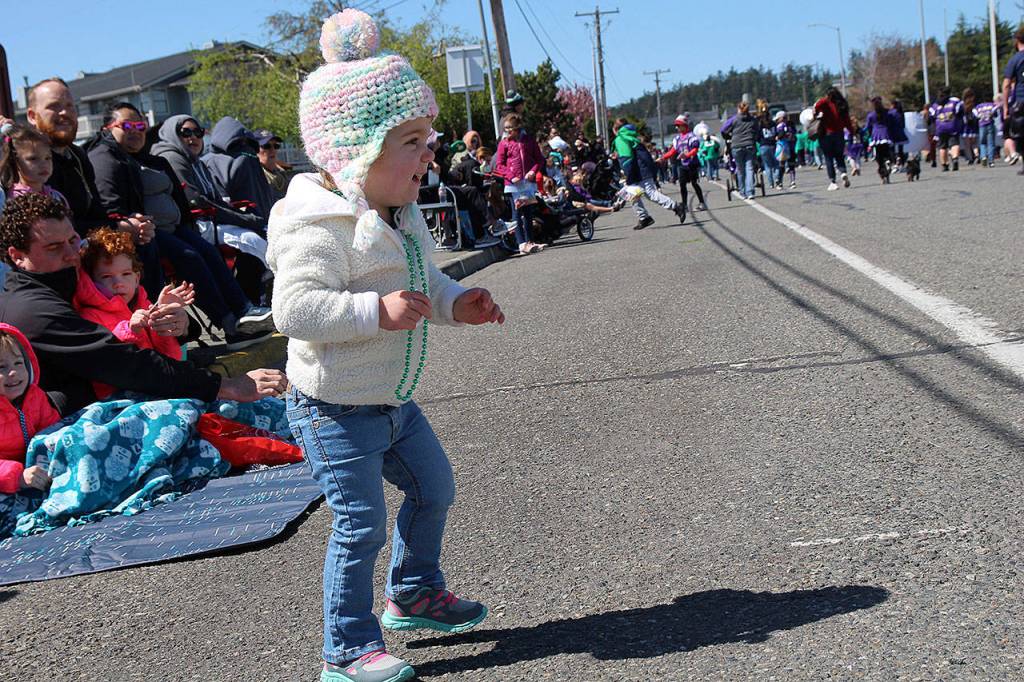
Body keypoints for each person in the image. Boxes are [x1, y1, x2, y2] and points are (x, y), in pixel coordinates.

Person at [268, 11, 501, 681]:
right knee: (360, 525)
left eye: (428, 139)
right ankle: (344, 650)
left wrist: (462, 304)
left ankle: (415, 592)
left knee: (435, 489)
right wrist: (376, 310)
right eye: (410, 141)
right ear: (354, 153)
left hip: (393, 401)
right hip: (333, 407)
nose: (429, 154)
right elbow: (295, 309)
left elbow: (426, 281)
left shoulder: (402, 213)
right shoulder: (317, 225)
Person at [0, 193, 286, 416]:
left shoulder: (79, 272)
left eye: (73, 240)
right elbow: (121, 361)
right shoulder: (31, 309)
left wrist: (183, 326)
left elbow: (141, 306)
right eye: (54, 247)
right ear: (17, 256)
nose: (71, 254)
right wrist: (225, 386)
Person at [86, 103, 274, 348]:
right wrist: (134, 224)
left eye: (140, 125)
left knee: (207, 250)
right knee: (191, 256)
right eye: (127, 125)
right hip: (146, 233)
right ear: (108, 128)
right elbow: (113, 207)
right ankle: (229, 324)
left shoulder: (146, 159)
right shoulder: (108, 158)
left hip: (176, 226)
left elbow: (179, 197)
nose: (136, 131)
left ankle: (243, 311)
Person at [151, 115, 271, 304]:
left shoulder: (196, 161)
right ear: (174, 134)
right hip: (197, 225)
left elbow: (215, 199)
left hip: (213, 220)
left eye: (198, 133)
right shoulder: (172, 157)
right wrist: (243, 219)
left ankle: (254, 299)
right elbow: (196, 201)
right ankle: (250, 303)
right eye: (186, 133)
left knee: (263, 235)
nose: (194, 138)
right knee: (253, 241)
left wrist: (243, 216)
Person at [73, 227, 194, 398]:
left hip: (155, 387)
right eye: (107, 276)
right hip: (118, 399)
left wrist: (164, 318)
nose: (118, 283)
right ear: (91, 281)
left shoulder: (143, 304)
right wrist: (131, 330)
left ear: (137, 278)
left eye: (126, 274)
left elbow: (171, 358)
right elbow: (109, 360)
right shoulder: (89, 315)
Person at [0, 323, 61, 495]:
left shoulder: (35, 396)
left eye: (18, 363)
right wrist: (17, 476)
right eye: (1, 367)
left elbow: (54, 430)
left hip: (37, 470)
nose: (13, 372)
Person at [613, 118, 685, 229]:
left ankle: (676, 207)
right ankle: (644, 217)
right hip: (641, 169)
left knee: (649, 194)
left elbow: (626, 159)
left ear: (616, 129)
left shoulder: (620, 139)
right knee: (633, 195)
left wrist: (628, 175)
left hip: (637, 171)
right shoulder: (632, 137)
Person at [202, 116, 276, 220]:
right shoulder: (211, 163)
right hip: (236, 226)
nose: (244, 146)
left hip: (261, 221)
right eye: (239, 142)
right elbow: (220, 203)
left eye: (246, 142)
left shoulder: (249, 157)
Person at [494, 113, 546, 254]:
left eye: (510, 128)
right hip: (513, 184)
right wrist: (511, 176)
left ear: (517, 127)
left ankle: (530, 241)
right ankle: (521, 243)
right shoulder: (504, 143)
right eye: (505, 129)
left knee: (528, 212)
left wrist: (533, 171)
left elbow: (539, 160)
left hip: (527, 182)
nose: (508, 131)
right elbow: (499, 165)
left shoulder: (529, 141)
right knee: (516, 212)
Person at [0, 124, 69, 207]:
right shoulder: (15, 200)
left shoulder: (57, 196)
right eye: (33, 159)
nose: (44, 165)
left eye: (48, 158)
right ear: (15, 161)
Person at [658, 115, 705, 216]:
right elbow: (672, 151)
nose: (677, 128)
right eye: (676, 126)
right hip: (683, 165)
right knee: (682, 184)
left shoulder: (692, 136)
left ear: (684, 125)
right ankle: (684, 205)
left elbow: (695, 149)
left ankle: (702, 202)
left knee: (694, 183)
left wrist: (687, 155)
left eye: (678, 126)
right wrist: (663, 158)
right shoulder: (677, 139)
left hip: (692, 164)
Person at [813, 87, 855, 191]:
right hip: (839, 134)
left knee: (828, 158)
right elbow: (847, 122)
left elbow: (817, 106)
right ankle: (843, 172)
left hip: (826, 134)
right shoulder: (842, 105)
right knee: (839, 156)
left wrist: (818, 110)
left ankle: (833, 181)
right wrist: (852, 132)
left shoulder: (826, 103)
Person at [721, 101, 760, 199]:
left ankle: (742, 191)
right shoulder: (753, 120)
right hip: (749, 145)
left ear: (739, 109)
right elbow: (757, 130)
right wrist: (753, 137)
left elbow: (723, 130)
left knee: (740, 169)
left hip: (737, 145)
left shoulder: (733, 119)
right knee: (750, 168)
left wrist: (728, 136)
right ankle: (750, 191)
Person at [1002, 27, 1024, 174]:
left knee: (1020, 134)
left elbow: (1006, 84)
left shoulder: (1015, 59)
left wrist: (1005, 106)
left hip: (1021, 100)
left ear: (1017, 41)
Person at [927, 86, 963, 172]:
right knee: (954, 143)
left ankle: (944, 164)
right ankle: (955, 160)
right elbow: (960, 111)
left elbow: (931, 117)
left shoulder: (935, 105)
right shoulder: (955, 101)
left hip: (940, 127)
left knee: (942, 146)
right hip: (952, 125)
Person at [254, 129, 291, 204]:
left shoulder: (281, 172)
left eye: (276, 146)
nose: (273, 150)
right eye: (266, 146)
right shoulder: (254, 175)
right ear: (255, 149)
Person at [865, 97, 896, 184]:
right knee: (887, 152)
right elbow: (891, 123)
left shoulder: (871, 115)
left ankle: (883, 175)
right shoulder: (887, 113)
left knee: (879, 158)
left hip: (876, 135)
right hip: (886, 134)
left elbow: (868, 127)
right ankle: (888, 161)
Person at [757, 101, 781, 189]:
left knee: (767, 166)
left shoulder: (760, 124)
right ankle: (777, 178)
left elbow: (757, 136)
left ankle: (771, 183)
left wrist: (761, 141)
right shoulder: (773, 123)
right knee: (776, 164)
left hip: (763, 146)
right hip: (773, 145)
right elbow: (776, 134)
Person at [774, 111, 797, 189]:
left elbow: (780, 134)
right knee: (791, 165)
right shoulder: (791, 125)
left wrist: (777, 137)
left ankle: (779, 182)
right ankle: (792, 181)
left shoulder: (781, 125)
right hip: (791, 146)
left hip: (784, 147)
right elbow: (794, 134)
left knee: (782, 165)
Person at [975, 96, 999, 166]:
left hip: (981, 125)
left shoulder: (978, 106)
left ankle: (983, 156)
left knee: (983, 142)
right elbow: (995, 114)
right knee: (991, 143)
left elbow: (975, 115)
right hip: (990, 124)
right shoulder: (992, 105)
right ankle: (991, 161)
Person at [889, 100, 909, 171]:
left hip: (892, 133)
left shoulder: (890, 113)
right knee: (901, 150)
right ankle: (903, 165)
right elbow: (903, 124)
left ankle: (894, 165)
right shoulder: (901, 113)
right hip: (900, 132)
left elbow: (889, 123)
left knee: (892, 150)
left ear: (893, 105)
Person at [961, 89, 979, 164]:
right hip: (973, 128)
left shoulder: (963, 105)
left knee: (967, 145)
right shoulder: (974, 105)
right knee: (974, 144)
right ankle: (977, 155)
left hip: (965, 128)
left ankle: (970, 158)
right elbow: (977, 116)